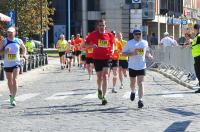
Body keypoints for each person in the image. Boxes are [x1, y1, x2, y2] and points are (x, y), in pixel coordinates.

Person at [84, 19, 114, 105]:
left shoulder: (110, 35)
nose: (101, 27)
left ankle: (104, 97)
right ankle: (99, 89)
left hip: (107, 58)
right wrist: (91, 45)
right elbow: (85, 44)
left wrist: (112, 50)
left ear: (105, 26)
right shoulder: (93, 34)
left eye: (103, 25)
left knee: (105, 76)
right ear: (98, 26)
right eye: (100, 25)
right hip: (97, 58)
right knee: (99, 77)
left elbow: (113, 45)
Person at [122, 29, 153, 108]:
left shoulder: (144, 42)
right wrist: (132, 53)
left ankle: (140, 100)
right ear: (133, 35)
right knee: (133, 83)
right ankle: (132, 91)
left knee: (141, 83)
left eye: (139, 34)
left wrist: (149, 56)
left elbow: (147, 51)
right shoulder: (129, 43)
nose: (138, 35)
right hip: (132, 66)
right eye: (136, 34)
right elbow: (123, 53)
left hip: (141, 66)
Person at [0, 27, 27, 106]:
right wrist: (4, 50)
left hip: (16, 63)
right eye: (8, 32)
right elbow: (0, 53)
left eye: (11, 32)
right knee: (9, 80)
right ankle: (11, 94)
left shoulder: (18, 40)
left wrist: (24, 55)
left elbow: (24, 48)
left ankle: (13, 98)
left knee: (15, 79)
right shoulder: (4, 41)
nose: (10, 34)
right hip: (8, 63)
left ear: (14, 33)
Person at [191, 24, 200, 93]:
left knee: (198, 72)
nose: (192, 30)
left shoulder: (199, 36)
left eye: (193, 29)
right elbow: (194, 45)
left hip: (199, 56)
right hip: (196, 56)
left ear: (195, 29)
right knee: (197, 72)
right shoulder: (196, 37)